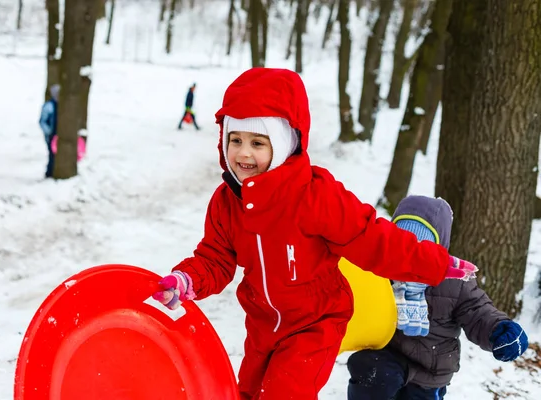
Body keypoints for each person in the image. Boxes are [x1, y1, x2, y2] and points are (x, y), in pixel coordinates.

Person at [152, 68, 477, 400]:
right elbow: (215, 258)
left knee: (283, 394)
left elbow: (372, 238)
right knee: (248, 393)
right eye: (236, 140)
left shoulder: (314, 196)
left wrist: (434, 262)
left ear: (283, 144)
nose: (243, 153)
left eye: (258, 142)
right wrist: (187, 279)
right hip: (264, 324)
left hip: (315, 324)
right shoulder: (226, 203)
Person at [346, 195, 529, 400]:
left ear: (438, 249)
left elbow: (477, 310)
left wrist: (498, 329)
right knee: (369, 369)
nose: (410, 256)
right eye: (402, 245)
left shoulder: (455, 282)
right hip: (388, 356)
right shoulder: (380, 271)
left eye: (421, 248)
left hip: (430, 371)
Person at [39, 84, 60, 178]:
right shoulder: (49, 106)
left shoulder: (63, 105)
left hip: (59, 134)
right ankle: (49, 173)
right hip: (51, 135)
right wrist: (49, 132)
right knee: (52, 154)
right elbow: (42, 121)